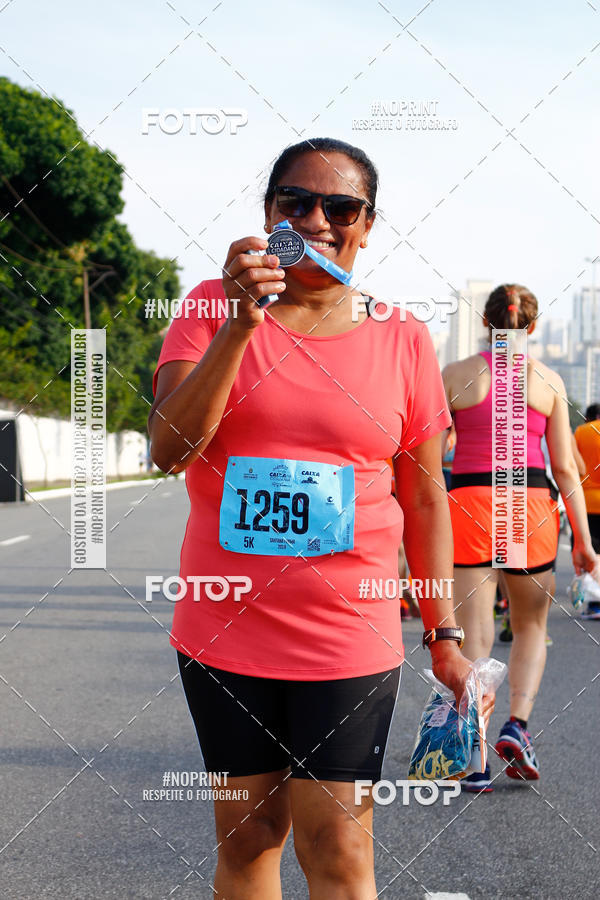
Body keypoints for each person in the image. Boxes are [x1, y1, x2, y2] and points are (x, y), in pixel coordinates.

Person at [149, 137, 492, 899]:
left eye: (341, 207)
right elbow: (169, 448)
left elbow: (425, 496)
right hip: (225, 628)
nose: (317, 220)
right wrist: (242, 324)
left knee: (339, 847)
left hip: (349, 632)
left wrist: (445, 636)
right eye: (295, 203)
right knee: (249, 838)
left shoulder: (402, 336)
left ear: (368, 225)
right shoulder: (211, 305)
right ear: (267, 214)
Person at [443, 284, 598, 792]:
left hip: (469, 505)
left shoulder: (457, 376)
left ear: (487, 323)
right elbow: (566, 470)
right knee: (530, 626)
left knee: (476, 636)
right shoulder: (547, 380)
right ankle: (518, 725)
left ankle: (476, 759)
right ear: (530, 328)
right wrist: (583, 539)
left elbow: (424, 453)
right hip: (528, 508)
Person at [574, 403, 600, 618]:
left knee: (591, 552)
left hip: (586, 503)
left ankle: (594, 604)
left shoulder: (582, 432)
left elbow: (573, 465)